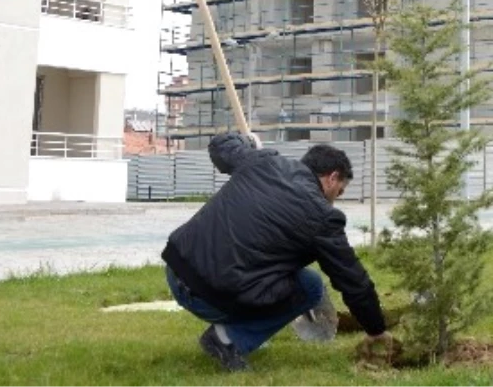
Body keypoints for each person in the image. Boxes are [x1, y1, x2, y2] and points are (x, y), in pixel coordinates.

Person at [162, 132, 393, 372]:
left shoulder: (263, 161)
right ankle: (228, 338)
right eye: (340, 192)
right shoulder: (323, 218)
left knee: (275, 265)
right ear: (332, 178)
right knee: (311, 286)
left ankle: (236, 330)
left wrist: (247, 143)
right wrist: (376, 329)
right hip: (210, 297)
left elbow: (221, 146)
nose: (336, 199)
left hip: (177, 271)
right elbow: (352, 279)